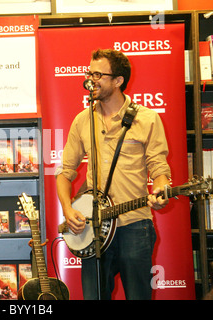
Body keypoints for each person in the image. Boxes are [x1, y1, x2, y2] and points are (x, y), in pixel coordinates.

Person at [55, 49, 171, 300]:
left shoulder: (147, 119)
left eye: (98, 74)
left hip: (135, 225)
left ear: (118, 81)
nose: (90, 79)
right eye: (89, 73)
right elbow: (64, 174)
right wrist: (67, 208)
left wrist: (161, 189)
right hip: (94, 229)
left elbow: (159, 168)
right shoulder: (82, 120)